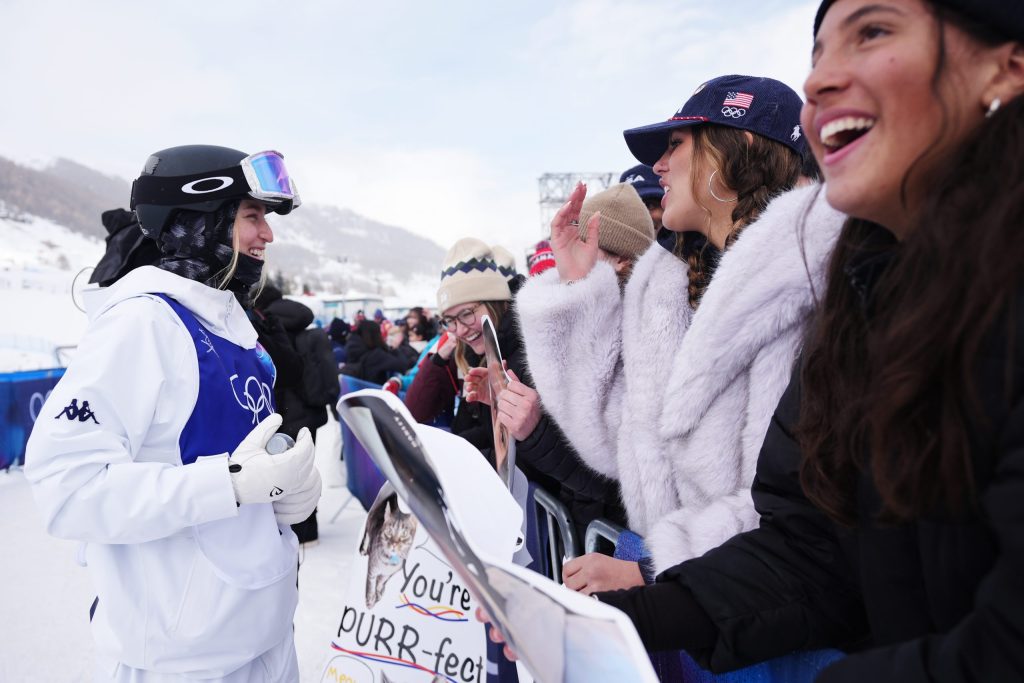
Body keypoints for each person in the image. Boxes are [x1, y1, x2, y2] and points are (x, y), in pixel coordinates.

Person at [584, 1, 1024, 680]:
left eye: (872, 31)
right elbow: (815, 543)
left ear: (1007, 68)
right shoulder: (864, 295)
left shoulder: (816, 283)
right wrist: (639, 614)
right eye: (817, 54)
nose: (817, 81)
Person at [516, 74, 841, 593]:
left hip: (761, 609)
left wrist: (656, 570)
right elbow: (621, 443)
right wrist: (577, 287)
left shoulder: (810, 277)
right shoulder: (665, 286)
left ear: (740, 148)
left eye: (675, 145)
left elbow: (797, 501)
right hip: (689, 601)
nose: (658, 166)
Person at [24, 145, 321, 681]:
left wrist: (284, 490)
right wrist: (230, 484)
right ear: (201, 220)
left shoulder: (232, 326)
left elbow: (242, 457)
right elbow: (67, 487)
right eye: (252, 216)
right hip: (182, 659)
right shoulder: (141, 325)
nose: (268, 234)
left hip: (266, 631)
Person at [405, 238, 626, 538]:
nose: (460, 329)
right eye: (449, 321)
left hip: (567, 530)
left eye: (467, 314)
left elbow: (577, 467)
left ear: (495, 301)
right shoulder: (482, 352)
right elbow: (484, 437)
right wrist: (452, 451)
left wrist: (525, 432)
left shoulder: (531, 351)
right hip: (534, 522)